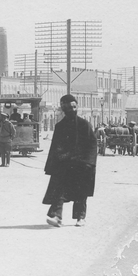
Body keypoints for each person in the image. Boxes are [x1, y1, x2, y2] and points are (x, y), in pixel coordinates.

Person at [42, 93, 98, 227]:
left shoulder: (85, 125)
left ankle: (80, 217)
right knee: (59, 191)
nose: (72, 110)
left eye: (74, 107)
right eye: (68, 108)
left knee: (81, 192)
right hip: (65, 165)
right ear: (63, 109)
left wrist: (89, 163)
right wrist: (56, 162)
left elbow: (92, 145)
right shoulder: (60, 126)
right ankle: (57, 216)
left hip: (82, 165)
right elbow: (55, 146)